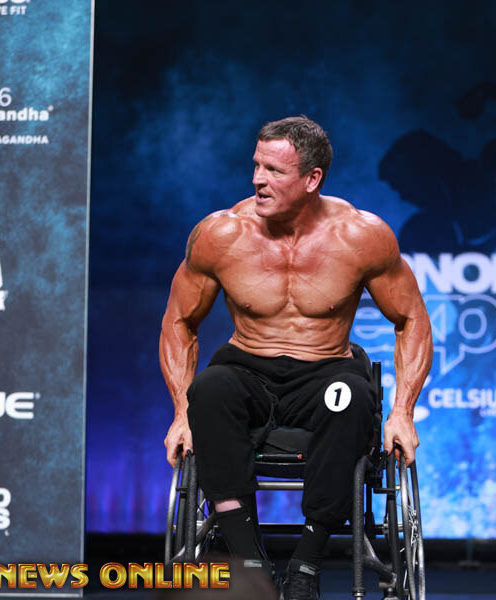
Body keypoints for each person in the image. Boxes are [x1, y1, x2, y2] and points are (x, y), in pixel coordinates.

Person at [159, 116, 432, 600]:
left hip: (326, 370)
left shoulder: (360, 236)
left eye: (274, 171)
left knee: (350, 397)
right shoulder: (222, 234)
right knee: (209, 390)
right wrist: (181, 413)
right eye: (256, 166)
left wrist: (402, 413)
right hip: (247, 367)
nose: (257, 180)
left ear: (312, 179)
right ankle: (250, 561)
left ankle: (307, 562)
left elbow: (411, 318)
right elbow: (179, 320)